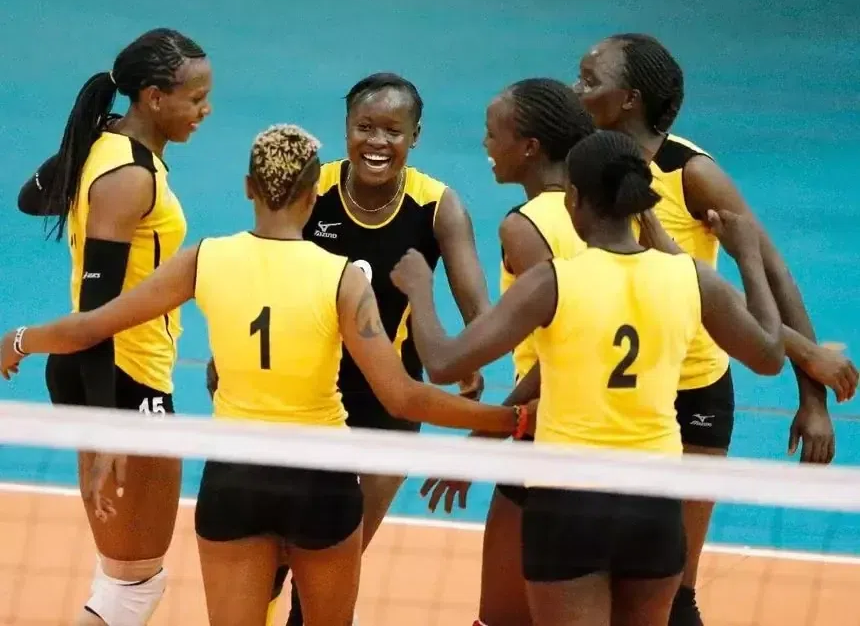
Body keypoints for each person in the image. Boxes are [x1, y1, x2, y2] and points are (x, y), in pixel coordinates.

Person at [0, 124, 532, 626]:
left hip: (236, 481)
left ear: (248, 187)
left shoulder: (204, 259)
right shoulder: (343, 279)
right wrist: (509, 418)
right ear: (311, 196)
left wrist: (20, 340)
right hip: (321, 482)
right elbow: (403, 398)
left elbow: (89, 327)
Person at [389, 129, 786, 626]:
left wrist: (420, 290)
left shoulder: (554, 282)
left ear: (574, 198)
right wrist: (746, 254)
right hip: (655, 504)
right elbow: (769, 356)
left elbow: (445, 362)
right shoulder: (691, 278)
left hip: (569, 505)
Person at [573, 32, 856, 624]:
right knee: (603, 576)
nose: (578, 89)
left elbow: (768, 270)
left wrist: (814, 401)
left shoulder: (689, 171)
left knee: (676, 589)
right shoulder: (585, 165)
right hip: (610, 395)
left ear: (629, 98)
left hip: (694, 386)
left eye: (590, 79)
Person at [207, 72, 493, 625]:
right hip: (302, 397)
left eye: (393, 130)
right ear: (346, 129)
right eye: (365, 127)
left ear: (416, 135)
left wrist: (468, 368)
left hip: (388, 409)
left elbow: (480, 312)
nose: (377, 142)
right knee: (267, 567)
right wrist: (231, 356)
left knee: (327, 578)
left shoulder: (437, 208)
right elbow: (262, 269)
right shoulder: (314, 190)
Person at [14, 28, 212, 626]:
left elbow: (31, 197)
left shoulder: (108, 149)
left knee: (125, 576)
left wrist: (84, 142)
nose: (206, 110)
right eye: (195, 97)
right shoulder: (131, 177)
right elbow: (98, 315)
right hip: (123, 379)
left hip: (96, 373)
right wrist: (107, 435)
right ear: (153, 97)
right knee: (134, 586)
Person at [419, 77, 594, 626]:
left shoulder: (526, 227)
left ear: (530, 147)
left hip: (547, 432)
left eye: (494, 135)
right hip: (623, 435)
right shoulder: (609, 212)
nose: (486, 145)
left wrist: (489, 432)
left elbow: (563, 352)